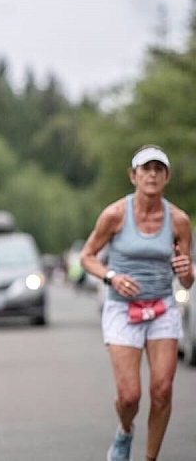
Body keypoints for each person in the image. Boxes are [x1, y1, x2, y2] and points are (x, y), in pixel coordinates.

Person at [80, 144, 194, 461]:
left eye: (159, 169)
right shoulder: (115, 214)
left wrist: (188, 271)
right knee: (130, 395)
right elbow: (87, 257)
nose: (152, 175)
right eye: (146, 169)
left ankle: (150, 458)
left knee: (162, 390)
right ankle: (125, 431)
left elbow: (187, 279)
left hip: (161, 308)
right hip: (122, 307)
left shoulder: (179, 221)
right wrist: (112, 277)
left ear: (167, 177)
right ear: (134, 176)